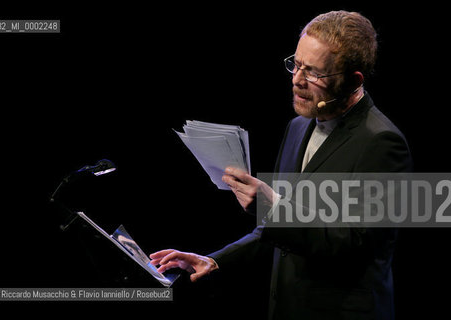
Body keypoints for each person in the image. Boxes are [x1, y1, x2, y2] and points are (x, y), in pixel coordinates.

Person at [150, 10, 412, 320]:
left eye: (314, 72)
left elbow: (354, 246)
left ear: (353, 80)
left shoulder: (381, 143)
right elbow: (274, 233)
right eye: (296, 64)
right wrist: (216, 261)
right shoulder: (297, 127)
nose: (297, 80)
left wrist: (272, 207)